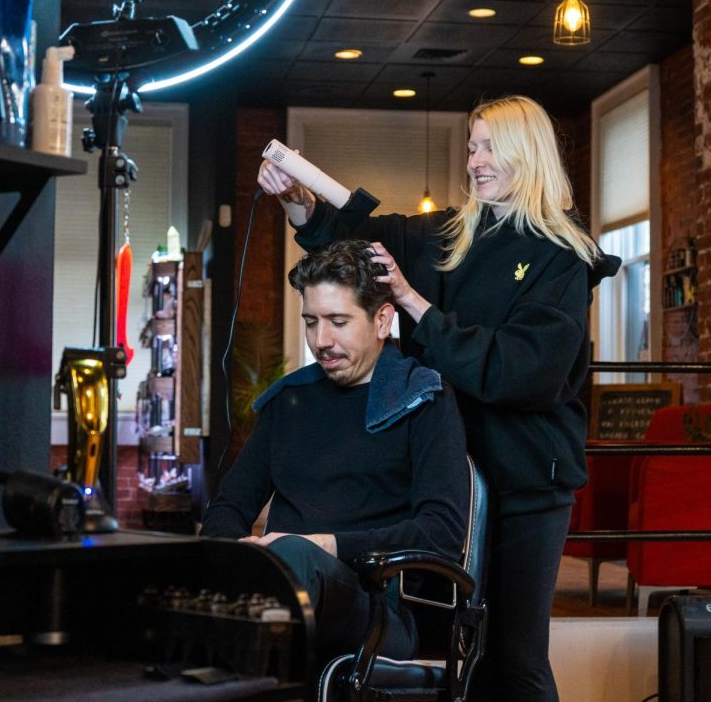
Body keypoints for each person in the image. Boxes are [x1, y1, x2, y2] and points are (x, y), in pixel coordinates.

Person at [258, 95, 621, 702]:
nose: (474, 160)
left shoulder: (563, 258)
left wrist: (414, 303)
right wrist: (300, 202)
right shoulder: (450, 234)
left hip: (526, 480)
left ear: (527, 153)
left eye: (489, 148)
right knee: (450, 648)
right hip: (444, 478)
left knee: (514, 657)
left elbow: (516, 372)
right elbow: (359, 238)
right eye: (472, 147)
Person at [201, 239, 470, 663]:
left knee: (293, 557)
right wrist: (240, 551)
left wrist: (325, 545)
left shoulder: (423, 399)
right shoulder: (288, 400)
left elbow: (441, 534)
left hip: (381, 610)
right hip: (285, 586)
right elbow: (227, 507)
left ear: (382, 321)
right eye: (311, 322)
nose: (321, 340)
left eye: (338, 322)